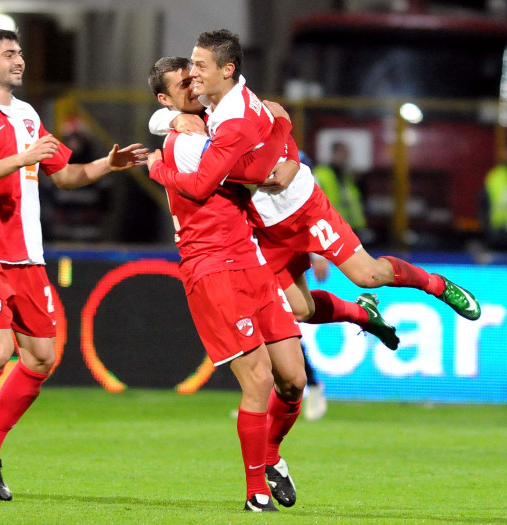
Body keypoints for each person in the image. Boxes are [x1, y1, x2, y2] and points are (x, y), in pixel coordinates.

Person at [150, 29, 481, 331]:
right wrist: (172, 119)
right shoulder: (213, 98)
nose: (193, 75)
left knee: (368, 275)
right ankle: (363, 313)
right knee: (301, 310)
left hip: (302, 208)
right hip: (265, 225)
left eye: (199, 66)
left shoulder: (236, 116)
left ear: (227, 70)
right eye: (192, 66)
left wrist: (290, 156)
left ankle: (437, 285)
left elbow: (251, 169)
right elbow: (271, 127)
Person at [0, 28, 148, 502]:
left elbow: (66, 176)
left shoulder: (28, 116)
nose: (19, 60)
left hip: (26, 255)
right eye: (8, 54)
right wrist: (21, 158)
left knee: (40, 358)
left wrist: (107, 165)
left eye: (20, 53)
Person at [147, 56, 310, 512]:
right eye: (183, 84)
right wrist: (281, 130)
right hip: (212, 268)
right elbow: (249, 172)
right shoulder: (186, 142)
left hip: (251, 260)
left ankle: (270, 455)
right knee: (258, 380)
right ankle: (255, 492)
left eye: (195, 76)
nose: (194, 85)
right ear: (165, 98)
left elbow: (253, 124)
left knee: (293, 379)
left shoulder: (215, 121)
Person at [314, 141, 369, 240]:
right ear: (334, 153)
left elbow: (353, 201)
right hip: (331, 225)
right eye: (343, 153)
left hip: (350, 226)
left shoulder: (346, 176)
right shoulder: (321, 173)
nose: (345, 157)